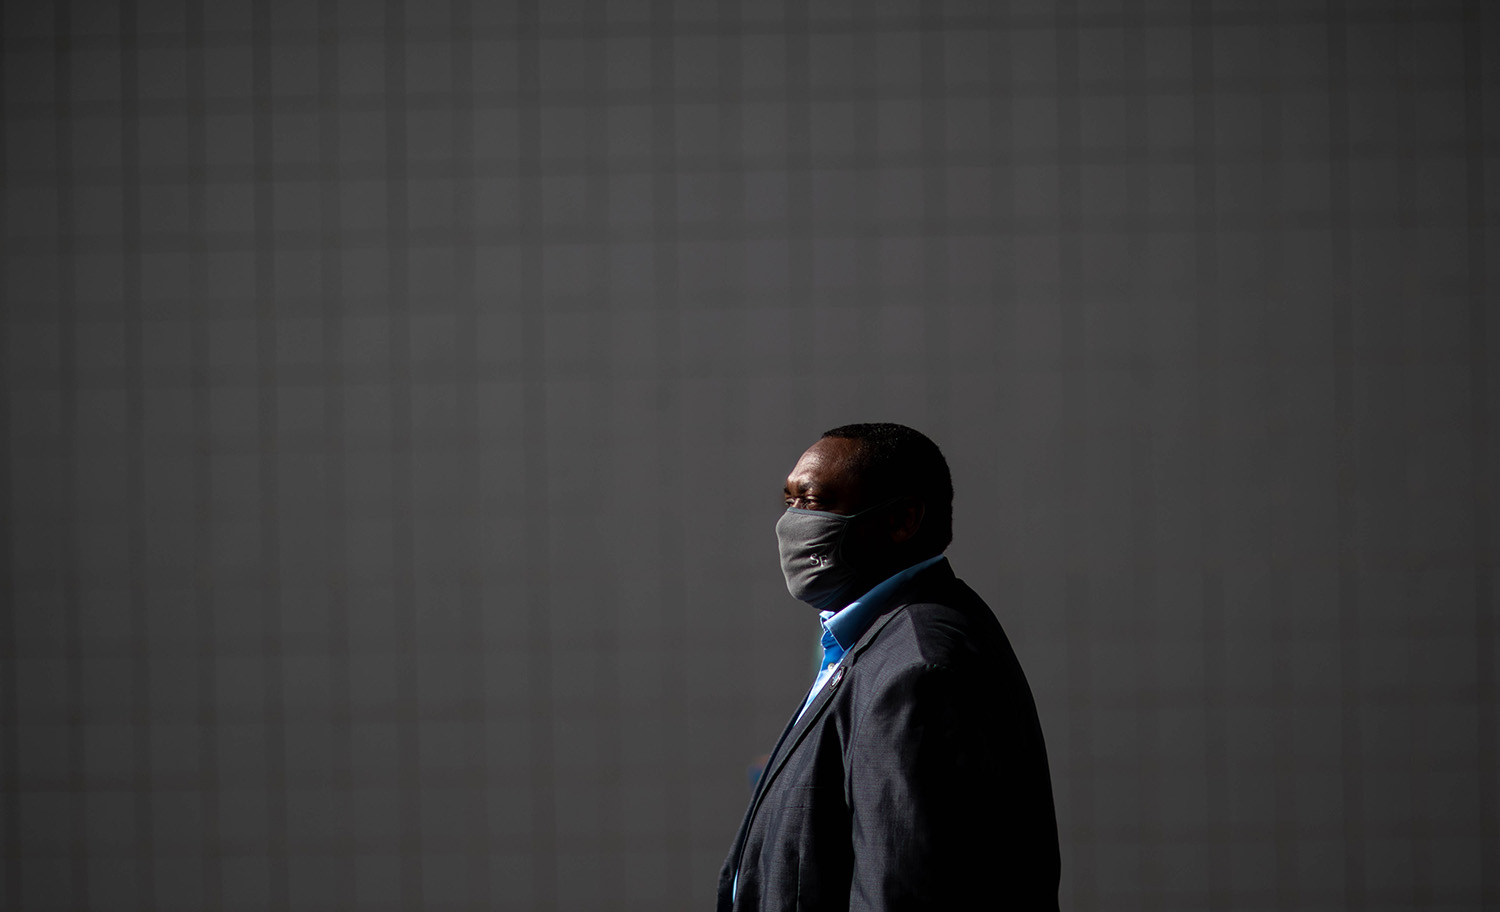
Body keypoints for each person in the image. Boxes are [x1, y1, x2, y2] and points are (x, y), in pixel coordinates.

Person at [716, 423, 1060, 911]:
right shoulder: (870, 642)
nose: (792, 522)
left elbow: (900, 888)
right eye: (788, 501)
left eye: (813, 502)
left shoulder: (917, 669)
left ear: (903, 521)